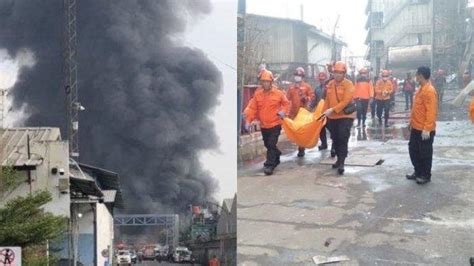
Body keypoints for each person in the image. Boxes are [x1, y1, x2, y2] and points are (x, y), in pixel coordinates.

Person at [244, 69, 290, 175]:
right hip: (264, 125)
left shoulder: (278, 93)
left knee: (271, 143)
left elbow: (286, 104)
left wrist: (283, 112)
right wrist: (248, 121)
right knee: (268, 144)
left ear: (271, 82)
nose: (265, 83)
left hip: (275, 124)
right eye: (263, 81)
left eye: (267, 81)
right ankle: (276, 154)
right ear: (261, 83)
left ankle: (269, 165)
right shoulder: (258, 95)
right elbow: (252, 109)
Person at [320, 61, 355, 175]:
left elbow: (345, 101)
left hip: (345, 116)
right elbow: (327, 100)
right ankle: (339, 159)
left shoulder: (348, 84)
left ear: (344, 73)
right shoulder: (330, 84)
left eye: (340, 72)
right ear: (333, 73)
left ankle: (341, 162)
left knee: (342, 138)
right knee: (335, 139)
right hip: (333, 117)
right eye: (336, 72)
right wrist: (322, 113)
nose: (338, 75)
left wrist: (333, 109)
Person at [406, 66, 438, 185]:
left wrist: (427, 129)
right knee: (413, 150)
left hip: (425, 129)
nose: (416, 77)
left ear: (420, 76)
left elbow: (431, 111)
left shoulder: (429, 91)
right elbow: (416, 109)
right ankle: (418, 171)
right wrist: (411, 122)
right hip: (416, 127)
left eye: (417, 75)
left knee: (425, 153)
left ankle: (425, 175)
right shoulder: (421, 89)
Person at [287, 67, 315, 157]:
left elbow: (312, 97)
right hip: (293, 112)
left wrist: (306, 98)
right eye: (296, 75)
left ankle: (301, 148)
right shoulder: (291, 87)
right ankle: (298, 144)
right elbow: (287, 99)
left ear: (302, 76)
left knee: (302, 130)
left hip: (303, 113)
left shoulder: (307, 86)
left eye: (299, 75)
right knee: (295, 130)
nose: (297, 77)